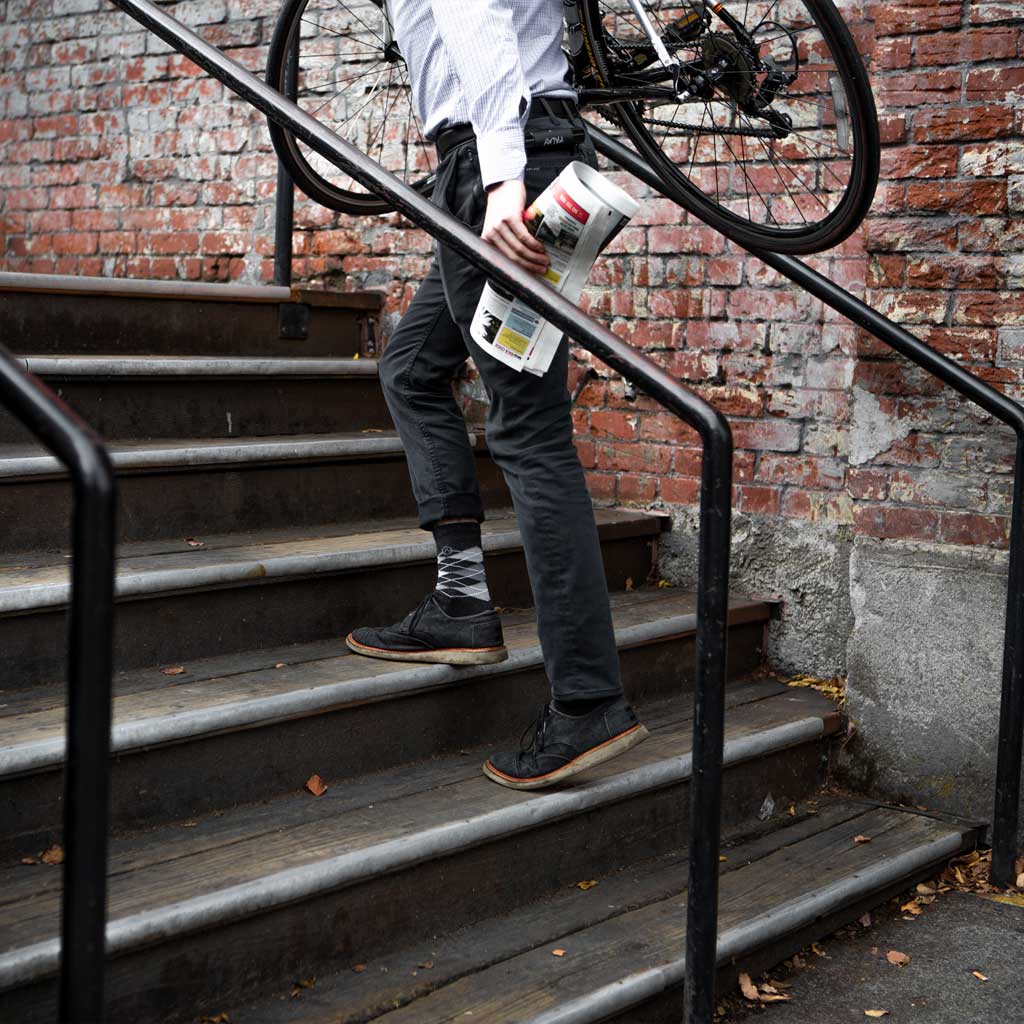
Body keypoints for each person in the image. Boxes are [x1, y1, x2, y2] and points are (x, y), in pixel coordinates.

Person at [345, 0, 648, 789]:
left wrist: (504, 178)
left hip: (494, 172)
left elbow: (475, 22)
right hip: (524, 154)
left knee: (531, 434)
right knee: (412, 366)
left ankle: (586, 700)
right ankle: (461, 599)